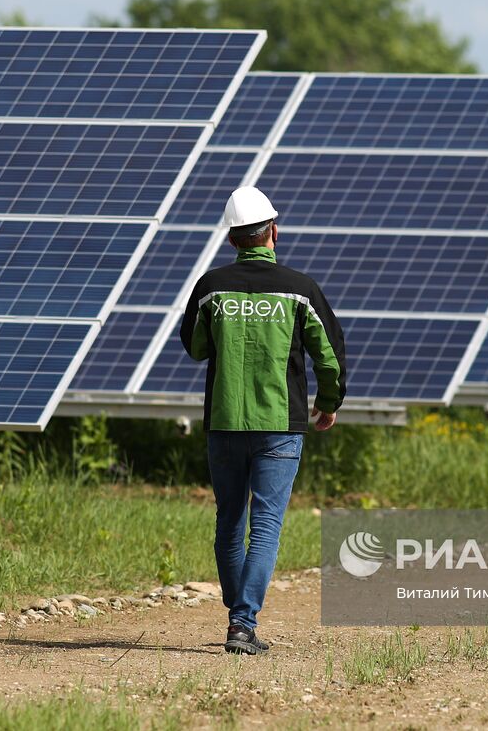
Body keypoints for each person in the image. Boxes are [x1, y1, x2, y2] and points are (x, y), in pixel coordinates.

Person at [179, 185, 346, 655]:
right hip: (280, 425)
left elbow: (195, 348)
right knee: (267, 523)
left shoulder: (211, 288)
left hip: (225, 422)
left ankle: (238, 615)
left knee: (230, 519)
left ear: (233, 240)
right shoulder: (301, 290)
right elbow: (329, 357)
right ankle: (242, 621)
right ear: (273, 231)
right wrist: (329, 403)